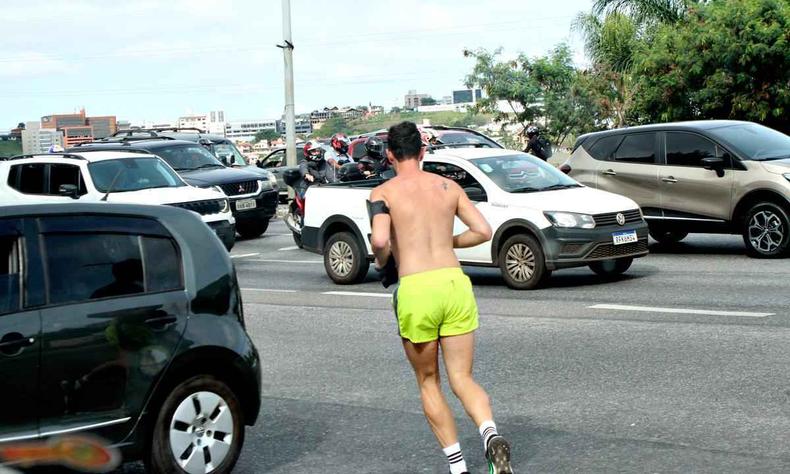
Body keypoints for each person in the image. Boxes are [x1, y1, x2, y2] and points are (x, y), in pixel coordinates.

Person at [369, 121, 513, 474]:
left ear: (389, 154)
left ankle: (458, 468)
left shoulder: (382, 193)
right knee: (462, 378)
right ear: (422, 152)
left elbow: (379, 241)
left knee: (429, 381)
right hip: (453, 282)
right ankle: (490, 435)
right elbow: (482, 230)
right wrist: (446, 242)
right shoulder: (448, 187)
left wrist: (384, 261)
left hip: (417, 288)